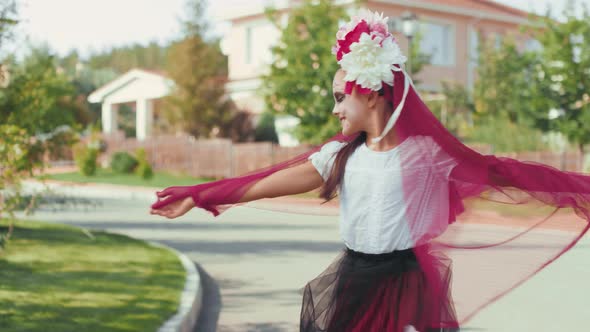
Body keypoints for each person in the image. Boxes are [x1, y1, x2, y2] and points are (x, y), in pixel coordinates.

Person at [151, 9, 590, 332]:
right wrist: (202, 194)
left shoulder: (427, 154)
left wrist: (580, 190)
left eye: (342, 96)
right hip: (352, 281)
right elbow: (262, 184)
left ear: (374, 94)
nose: (335, 107)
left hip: (407, 286)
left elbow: (506, 174)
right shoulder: (340, 156)